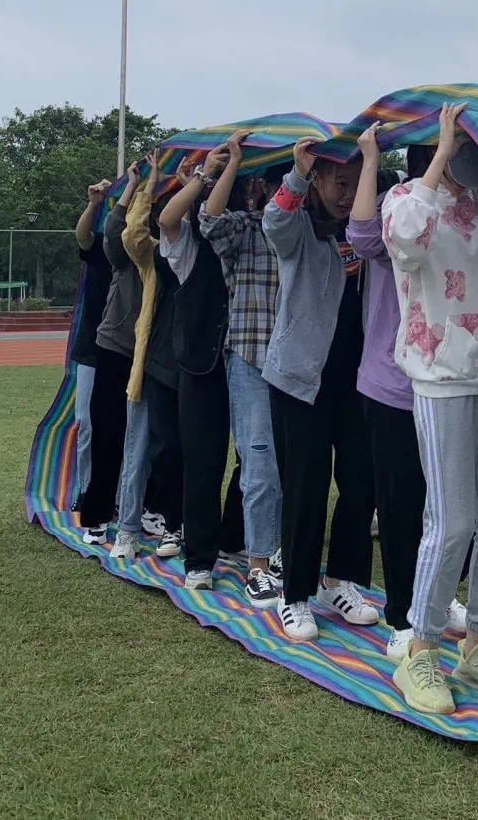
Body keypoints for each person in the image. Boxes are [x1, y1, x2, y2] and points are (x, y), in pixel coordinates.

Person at [383, 103, 478, 714]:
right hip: (440, 377)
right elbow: (404, 243)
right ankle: (420, 652)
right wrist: (442, 154)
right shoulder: (404, 199)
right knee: (452, 521)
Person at [346, 126, 469, 661]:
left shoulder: (470, 212)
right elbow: (362, 238)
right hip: (393, 383)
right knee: (401, 507)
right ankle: (403, 613)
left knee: (450, 506)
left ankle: (437, 597)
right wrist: (371, 159)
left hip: (452, 380)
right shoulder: (399, 206)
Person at [262, 139, 378, 642]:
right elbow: (274, 222)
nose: (348, 195)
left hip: (357, 380)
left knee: (360, 483)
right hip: (299, 379)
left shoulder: (368, 231)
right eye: (339, 183)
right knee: (305, 486)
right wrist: (298, 173)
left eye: (356, 184)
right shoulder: (300, 230)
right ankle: (294, 594)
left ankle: (338, 582)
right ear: (320, 182)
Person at [200, 131, 287, 609]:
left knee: (290, 466)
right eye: (280, 188)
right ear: (265, 191)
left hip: (295, 367)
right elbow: (209, 220)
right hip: (251, 360)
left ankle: (276, 550)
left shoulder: (305, 235)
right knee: (259, 465)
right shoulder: (244, 230)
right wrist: (231, 163)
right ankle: (257, 565)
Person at [157, 147, 237, 590]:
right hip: (201, 362)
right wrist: (205, 175)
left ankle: (236, 537)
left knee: (256, 459)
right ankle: (200, 556)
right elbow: (167, 218)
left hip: (249, 361)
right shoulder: (189, 244)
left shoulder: (252, 233)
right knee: (203, 461)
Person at [110, 154, 184, 562]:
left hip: (192, 366)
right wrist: (149, 185)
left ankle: (177, 525)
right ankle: (127, 530)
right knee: (138, 452)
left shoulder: (202, 248)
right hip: (152, 364)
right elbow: (131, 233)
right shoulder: (152, 254)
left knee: (179, 453)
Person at [77, 161, 144, 545]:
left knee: (144, 435)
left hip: (146, 349)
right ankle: (96, 505)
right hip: (106, 345)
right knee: (99, 427)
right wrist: (98, 203)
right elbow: (86, 237)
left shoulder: (155, 247)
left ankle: (141, 506)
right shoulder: (113, 247)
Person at [71, 177, 113, 507]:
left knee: (123, 426)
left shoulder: (146, 248)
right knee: (86, 422)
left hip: (129, 348)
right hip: (93, 348)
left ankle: (120, 494)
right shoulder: (101, 247)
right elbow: (82, 237)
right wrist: (94, 204)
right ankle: (86, 488)